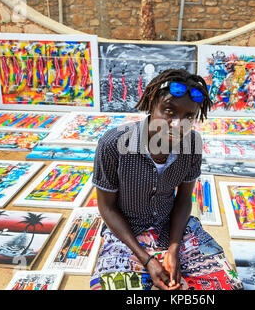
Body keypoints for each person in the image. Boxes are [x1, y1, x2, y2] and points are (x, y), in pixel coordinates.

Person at [90, 69, 243, 290]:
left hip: (171, 228)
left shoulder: (192, 144)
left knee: (228, 286)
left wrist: (173, 249)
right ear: (151, 104)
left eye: (189, 116)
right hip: (126, 234)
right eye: (169, 110)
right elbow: (107, 208)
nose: (177, 124)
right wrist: (147, 259)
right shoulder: (113, 144)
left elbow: (183, 201)